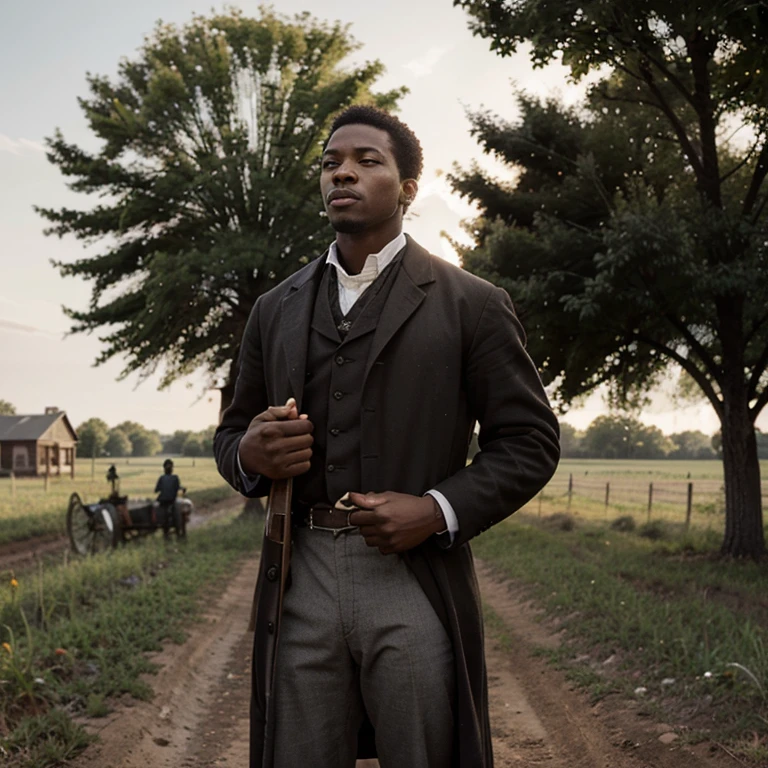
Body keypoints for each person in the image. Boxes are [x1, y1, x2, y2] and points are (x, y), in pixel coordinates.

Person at [214, 106, 560, 768]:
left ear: (407, 188)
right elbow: (232, 433)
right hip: (299, 574)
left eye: (367, 161)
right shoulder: (273, 309)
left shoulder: (473, 303)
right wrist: (249, 456)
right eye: (330, 163)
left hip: (415, 578)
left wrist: (434, 511)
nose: (342, 171)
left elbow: (530, 442)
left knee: (425, 752)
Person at [155, 458, 184, 539]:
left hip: (162, 500)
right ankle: (178, 531)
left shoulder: (161, 478)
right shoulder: (175, 478)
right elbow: (178, 487)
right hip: (172, 500)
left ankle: (165, 532)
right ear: (172, 469)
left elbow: (156, 489)